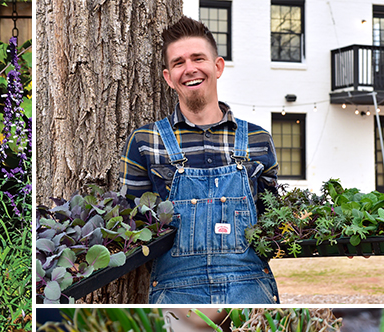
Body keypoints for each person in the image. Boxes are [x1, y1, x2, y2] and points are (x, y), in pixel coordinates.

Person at [120, 16, 280, 304]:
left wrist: (334, 240)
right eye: (179, 62)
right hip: (176, 292)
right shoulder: (145, 142)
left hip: (250, 288)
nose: (190, 69)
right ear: (168, 77)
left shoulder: (258, 140)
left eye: (198, 58)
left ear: (217, 66)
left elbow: (274, 222)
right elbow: (129, 226)